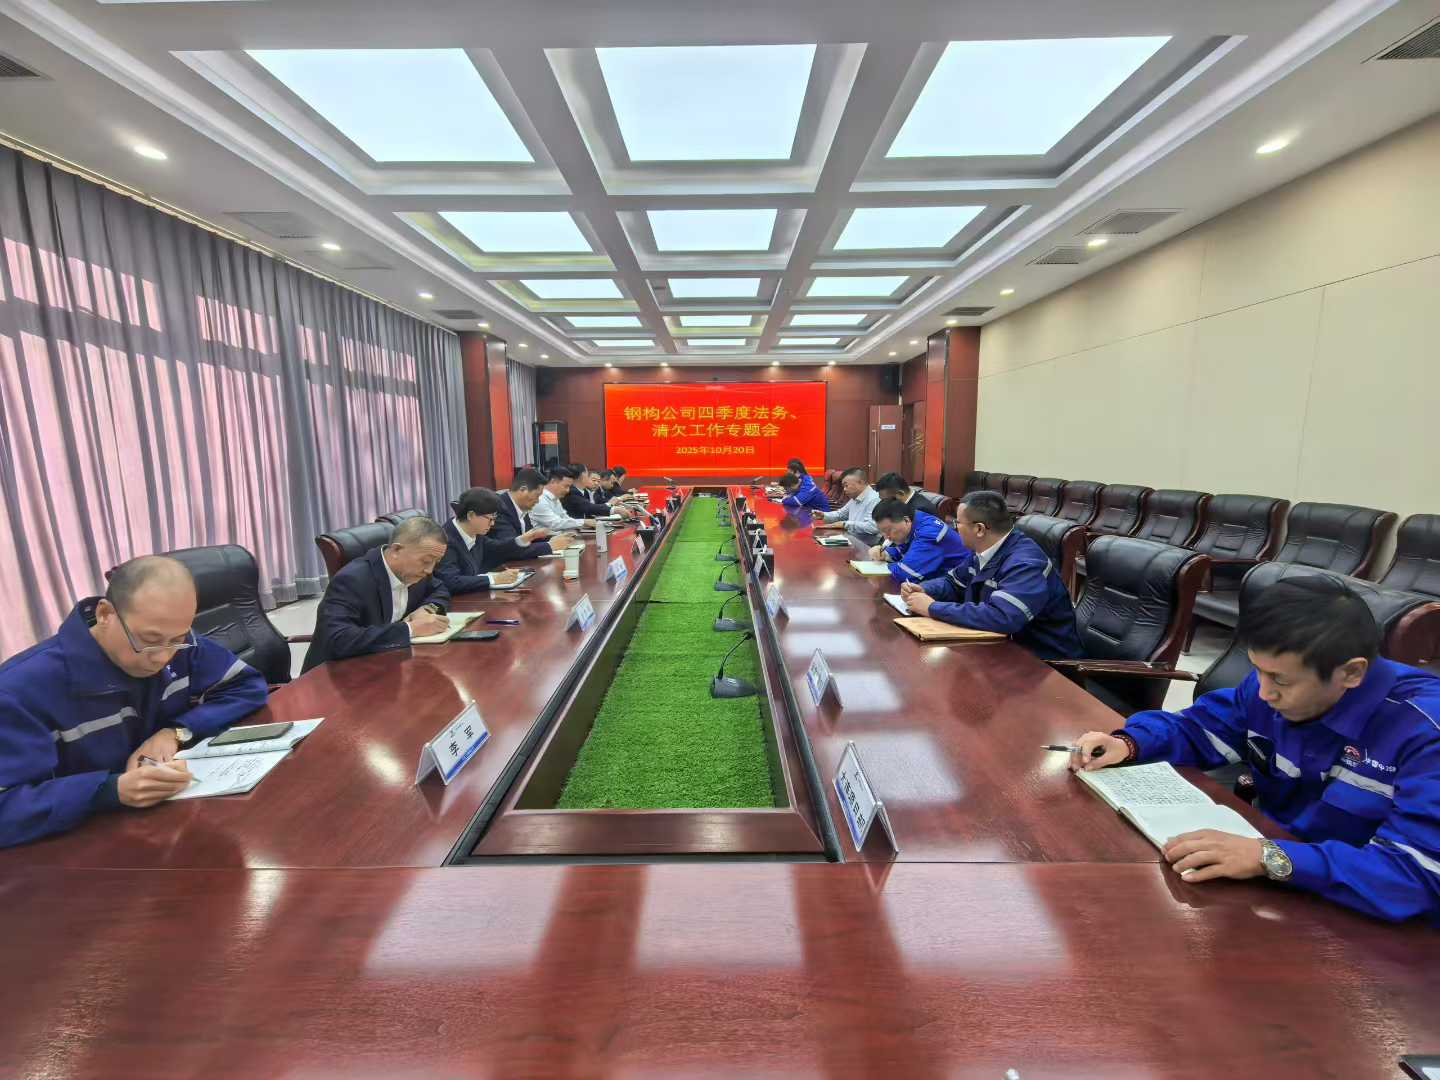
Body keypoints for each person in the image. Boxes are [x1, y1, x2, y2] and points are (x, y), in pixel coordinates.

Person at [1071, 577, 1440, 924]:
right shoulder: (1268, 690)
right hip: (1281, 890)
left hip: (1371, 921)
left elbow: (1420, 874)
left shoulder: (1425, 731)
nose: (1264, 692)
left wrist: (1270, 857)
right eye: (1258, 671)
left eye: (1280, 680)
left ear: (1352, 673)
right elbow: (1199, 729)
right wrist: (1129, 743)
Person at [0, 555, 269, 848]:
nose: (162, 657)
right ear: (105, 614)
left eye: (177, 639)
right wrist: (108, 791)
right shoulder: (18, 692)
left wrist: (175, 732)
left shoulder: (177, 645)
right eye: (148, 640)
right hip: (73, 856)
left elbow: (246, 686)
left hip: (163, 834)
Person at [900, 490, 1081, 659]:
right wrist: (924, 589)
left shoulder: (1025, 563)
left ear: (979, 529)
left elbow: (1002, 616)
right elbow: (953, 583)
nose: (955, 529)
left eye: (958, 523)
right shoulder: (984, 551)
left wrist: (932, 608)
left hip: (1044, 662)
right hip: (999, 646)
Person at [302, 517, 452, 672]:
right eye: (426, 561)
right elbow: (337, 639)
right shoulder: (351, 580)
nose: (429, 570)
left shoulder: (414, 571)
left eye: (436, 562)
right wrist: (410, 629)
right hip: (335, 674)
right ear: (396, 550)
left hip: (385, 665)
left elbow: (439, 588)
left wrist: (427, 608)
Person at [436, 487, 524, 595]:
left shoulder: (476, 532)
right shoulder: (446, 540)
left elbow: (497, 548)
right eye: (490, 519)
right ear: (471, 515)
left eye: (494, 519)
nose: (492, 524)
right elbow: (450, 582)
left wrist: (524, 539)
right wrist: (494, 579)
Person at [869, 499, 969, 584]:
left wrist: (883, 567)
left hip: (959, 586)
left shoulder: (929, 532)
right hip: (936, 579)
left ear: (906, 520)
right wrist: (885, 554)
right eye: (882, 532)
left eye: (889, 530)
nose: (887, 537)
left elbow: (906, 573)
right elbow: (907, 550)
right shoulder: (914, 520)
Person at [492, 469, 576, 560]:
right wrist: (549, 546)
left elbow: (529, 540)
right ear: (523, 489)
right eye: (537, 495)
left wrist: (554, 538)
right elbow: (512, 548)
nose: (538, 501)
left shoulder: (522, 507)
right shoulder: (499, 507)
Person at [815, 467, 882, 544]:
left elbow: (872, 527)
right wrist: (823, 515)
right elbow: (840, 514)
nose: (844, 489)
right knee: (820, 542)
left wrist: (845, 524)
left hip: (867, 544)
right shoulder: (855, 498)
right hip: (853, 540)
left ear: (860, 482)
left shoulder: (874, 499)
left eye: (846, 485)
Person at [532, 466, 590, 533]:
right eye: (566, 486)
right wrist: (584, 522)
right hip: (544, 539)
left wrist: (586, 524)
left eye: (569, 487)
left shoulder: (555, 498)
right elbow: (555, 523)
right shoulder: (539, 499)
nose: (568, 490)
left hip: (557, 537)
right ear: (553, 481)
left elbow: (565, 518)